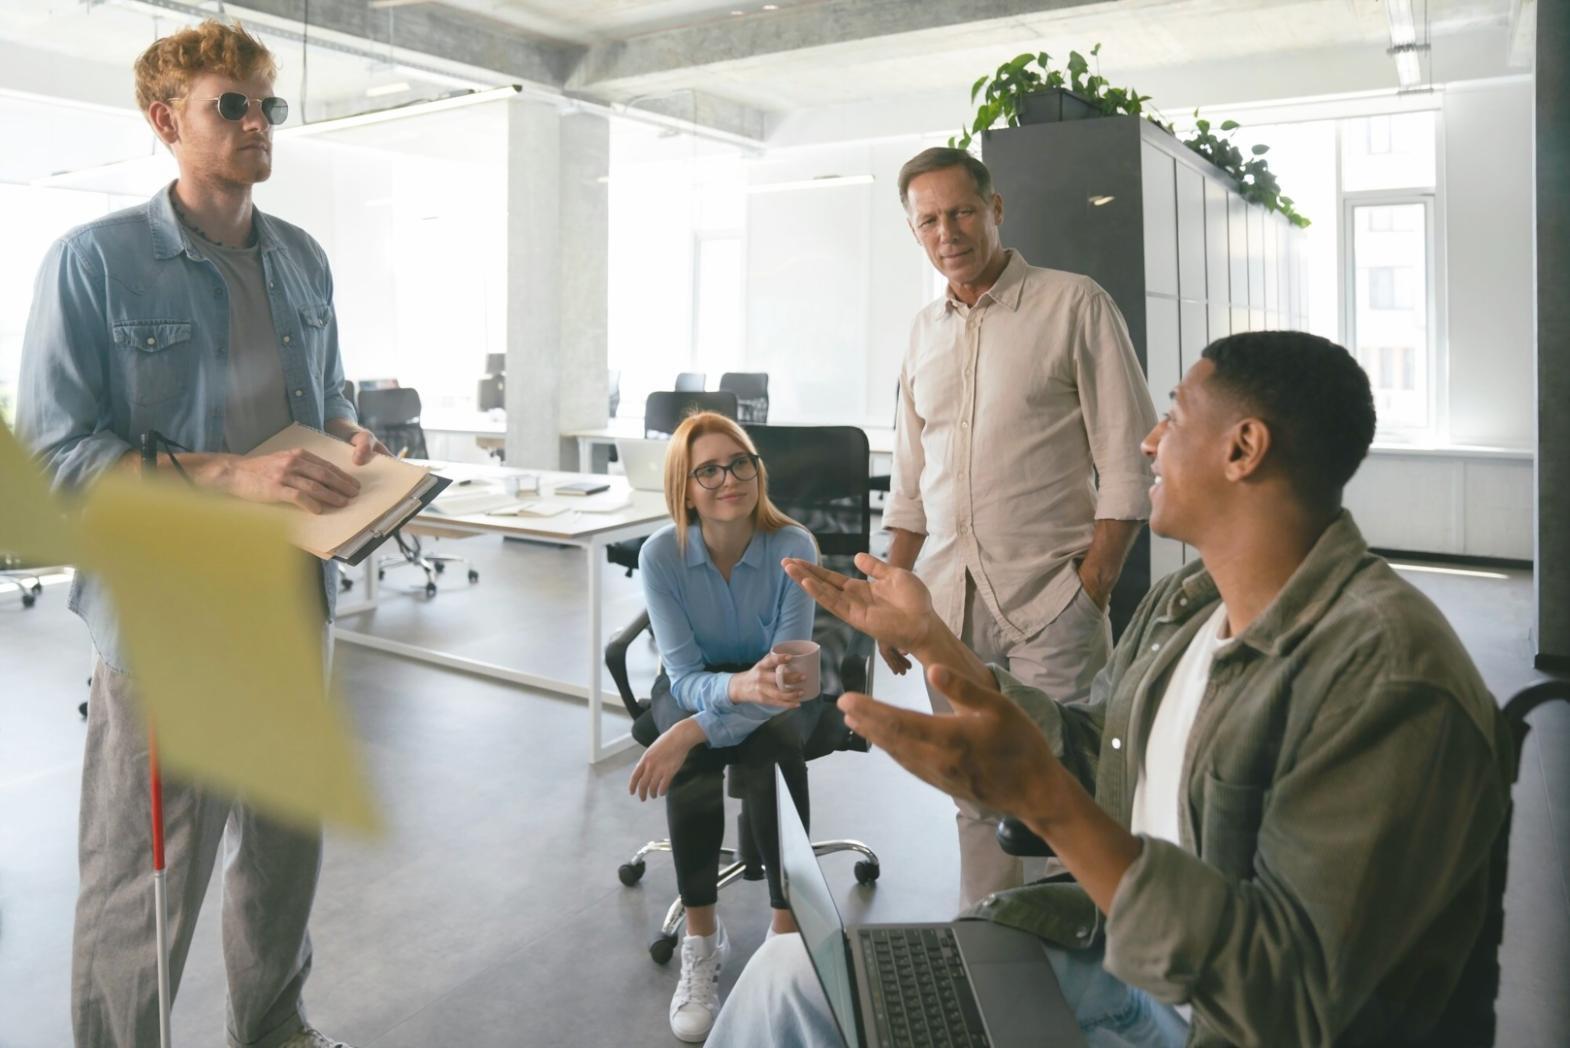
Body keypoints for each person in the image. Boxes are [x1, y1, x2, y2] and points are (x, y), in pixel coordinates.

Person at [709, 331, 1513, 1046]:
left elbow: (1287, 1008)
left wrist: (1048, 804)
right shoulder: (1185, 608)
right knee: (791, 975)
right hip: (1110, 952)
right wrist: (934, 644)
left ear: (1243, 449)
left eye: (1175, 416)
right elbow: (1102, 752)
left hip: (1209, 1021)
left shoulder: (1386, 679)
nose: (1148, 442)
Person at [17, 20, 385, 1048]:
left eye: (268, 103)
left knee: (281, 852)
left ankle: (274, 1027)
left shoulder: (302, 259)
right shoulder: (93, 264)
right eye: (233, 104)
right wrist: (235, 473)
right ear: (163, 119)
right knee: (146, 876)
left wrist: (349, 435)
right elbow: (56, 456)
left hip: (291, 600)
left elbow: (331, 392)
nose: (259, 121)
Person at [884, 146, 1158, 906]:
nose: (950, 231)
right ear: (915, 232)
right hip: (946, 611)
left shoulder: (1075, 304)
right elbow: (909, 486)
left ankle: (1078, 989)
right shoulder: (920, 333)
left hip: (1051, 609)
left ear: (996, 209)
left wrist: (1090, 590)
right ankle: (986, 952)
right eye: (930, 220)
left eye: (963, 211)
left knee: (1063, 804)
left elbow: (1128, 467)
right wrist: (893, 601)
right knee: (973, 792)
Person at [627, 411, 823, 1042]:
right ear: (684, 488)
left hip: (777, 688)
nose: (728, 479)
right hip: (702, 682)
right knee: (695, 755)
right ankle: (702, 939)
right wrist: (729, 695)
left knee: (773, 745)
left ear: (756, 472)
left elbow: (787, 674)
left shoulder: (795, 546)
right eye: (707, 470)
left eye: (740, 464)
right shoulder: (662, 555)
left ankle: (787, 933)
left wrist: (689, 730)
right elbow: (683, 677)